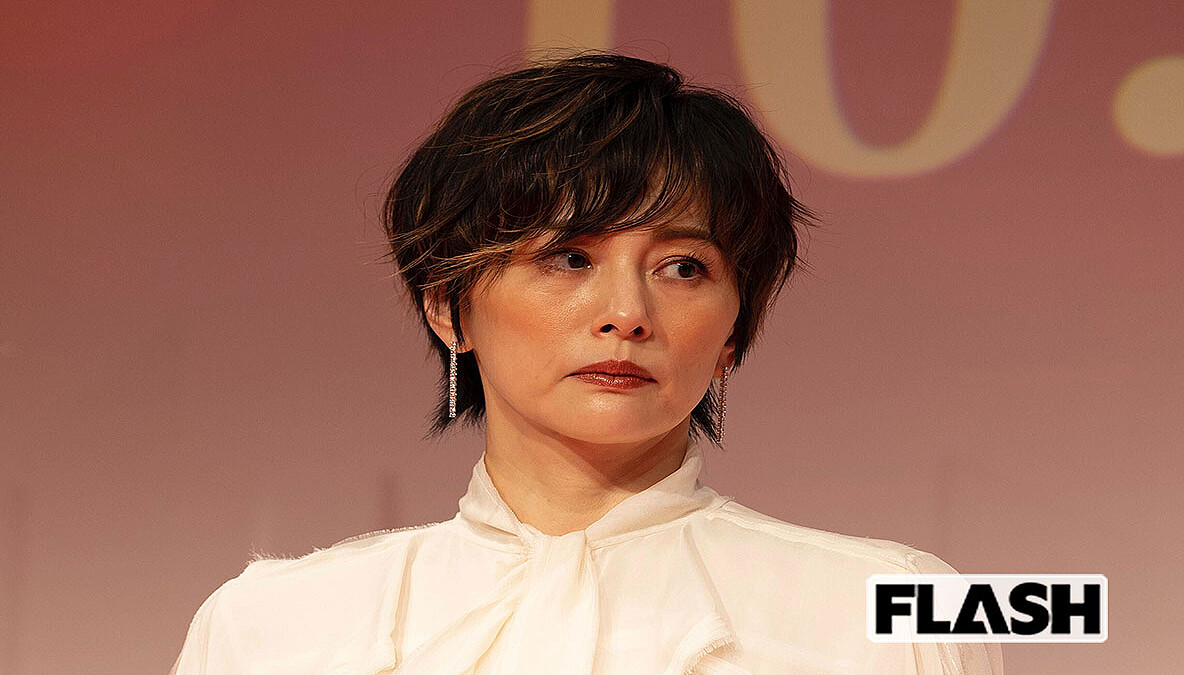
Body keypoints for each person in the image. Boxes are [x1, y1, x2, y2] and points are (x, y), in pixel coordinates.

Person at [171, 50, 1002, 674]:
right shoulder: (271, 627)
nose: (627, 313)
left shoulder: (892, 613)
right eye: (568, 258)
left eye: (684, 267)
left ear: (733, 331)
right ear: (448, 303)